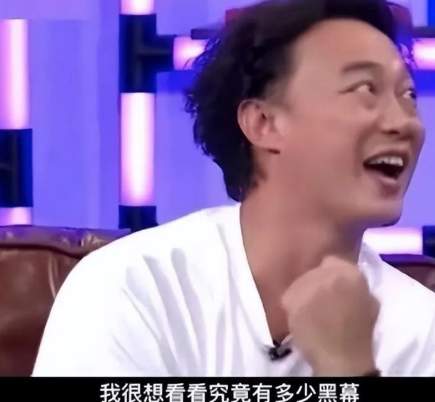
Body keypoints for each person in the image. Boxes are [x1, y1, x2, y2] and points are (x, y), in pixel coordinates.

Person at [33, 0, 435, 376]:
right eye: (365, 90)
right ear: (263, 123)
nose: (405, 123)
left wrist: (350, 367)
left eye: (409, 96)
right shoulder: (134, 287)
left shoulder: (421, 328)